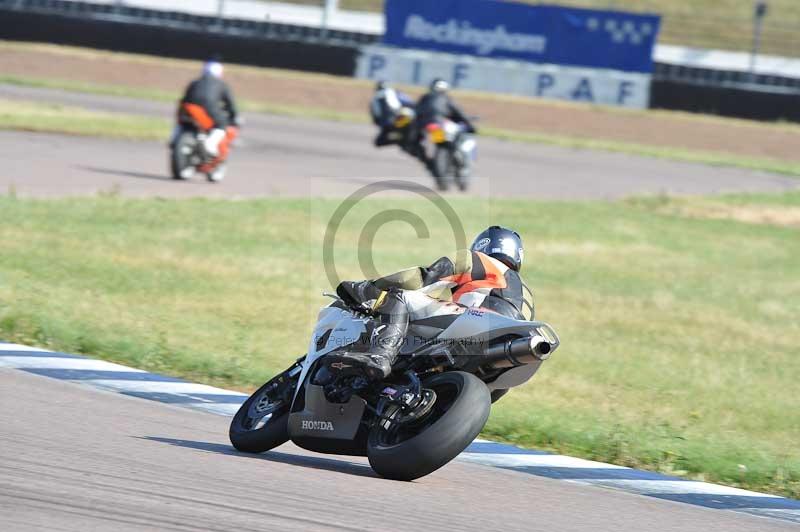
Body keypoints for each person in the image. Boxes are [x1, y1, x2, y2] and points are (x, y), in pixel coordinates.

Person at [326, 226, 533, 381]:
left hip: (479, 321)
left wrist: (368, 288)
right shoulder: (527, 292)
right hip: (511, 350)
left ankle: (380, 355)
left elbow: (420, 278)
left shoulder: (479, 259)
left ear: (484, 244)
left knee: (399, 296)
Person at [177, 59, 240, 162]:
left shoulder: (194, 82)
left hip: (188, 108)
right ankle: (210, 145)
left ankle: (175, 137)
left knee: (182, 121)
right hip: (208, 108)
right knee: (222, 124)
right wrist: (235, 116)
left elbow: (184, 98)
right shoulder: (222, 84)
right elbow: (231, 105)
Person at [369, 80, 415, 148]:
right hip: (400, 120)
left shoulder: (374, 99)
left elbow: (376, 116)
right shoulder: (394, 92)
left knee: (378, 142)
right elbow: (409, 102)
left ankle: (401, 140)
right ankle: (406, 139)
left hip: (387, 125)